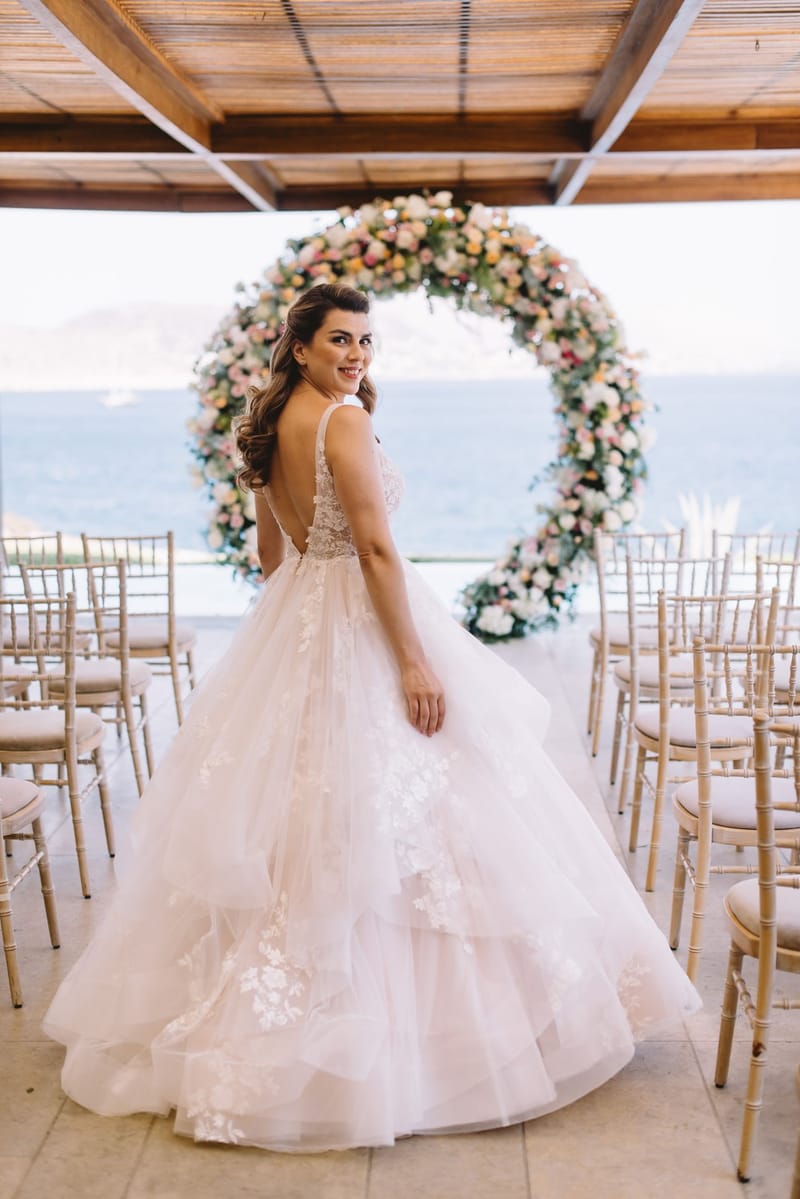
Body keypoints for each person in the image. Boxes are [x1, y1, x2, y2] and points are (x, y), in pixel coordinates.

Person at [44, 282, 699, 1152]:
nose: (356, 355)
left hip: (298, 614)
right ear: (301, 346)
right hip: (364, 617)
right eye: (339, 340)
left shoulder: (266, 424)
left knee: (306, 809)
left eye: (364, 341)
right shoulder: (342, 422)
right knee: (435, 802)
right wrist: (414, 659)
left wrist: (300, 620)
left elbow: (270, 552)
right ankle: (445, 1035)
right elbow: (378, 547)